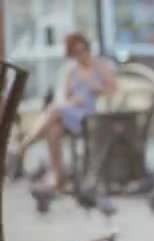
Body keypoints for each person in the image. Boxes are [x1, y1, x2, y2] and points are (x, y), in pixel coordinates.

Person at [14, 32, 116, 190]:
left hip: (89, 115)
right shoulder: (72, 70)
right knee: (53, 129)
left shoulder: (100, 66)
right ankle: (58, 176)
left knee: (53, 110)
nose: (81, 55)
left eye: (83, 50)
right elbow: (67, 97)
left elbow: (113, 90)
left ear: (87, 48)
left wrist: (98, 89)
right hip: (71, 112)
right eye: (76, 52)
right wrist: (73, 100)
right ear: (72, 54)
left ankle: (25, 144)